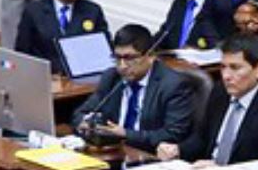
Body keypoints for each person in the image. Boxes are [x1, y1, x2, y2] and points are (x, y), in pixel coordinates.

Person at [156, 33, 258, 165]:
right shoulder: (220, 92)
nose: (226, 76)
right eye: (223, 67)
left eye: (235, 68)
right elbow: (202, 140)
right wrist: (178, 150)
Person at [72, 23, 198, 151]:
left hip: (148, 155)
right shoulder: (111, 77)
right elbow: (81, 113)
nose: (122, 66)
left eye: (129, 58)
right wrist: (84, 122)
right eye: (117, 58)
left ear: (151, 56)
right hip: (113, 150)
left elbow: (173, 133)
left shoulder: (173, 85)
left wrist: (127, 134)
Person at [13, 0, 107, 75]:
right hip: (45, 82)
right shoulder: (33, 12)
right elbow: (22, 55)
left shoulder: (93, 11)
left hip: (82, 86)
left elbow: (103, 55)